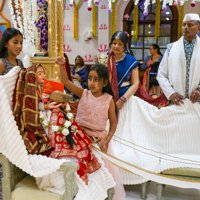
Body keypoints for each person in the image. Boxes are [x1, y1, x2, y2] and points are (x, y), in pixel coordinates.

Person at [56, 56, 126, 200]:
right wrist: (63, 66)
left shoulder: (108, 100)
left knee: (98, 175)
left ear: (104, 82)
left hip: (98, 142)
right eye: (90, 78)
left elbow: (113, 122)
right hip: (79, 139)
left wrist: (107, 140)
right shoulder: (84, 94)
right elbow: (66, 82)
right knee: (79, 172)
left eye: (96, 79)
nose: (91, 83)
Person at [157, 13, 200, 106]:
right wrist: (170, 93)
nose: (185, 27)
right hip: (177, 103)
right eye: (184, 24)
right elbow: (161, 74)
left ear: (198, 29)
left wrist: (199, 90)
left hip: (198, 103)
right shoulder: (171, 48)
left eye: (190, 25)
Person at [107, 31, 139, 110]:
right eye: (114, 43)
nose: (116, 46)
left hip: (127, 100)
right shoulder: (105, 59)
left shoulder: (131, 61)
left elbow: (135, 83)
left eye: (120, 44)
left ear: (126, 45)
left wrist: (122, 100)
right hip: (108, 99)